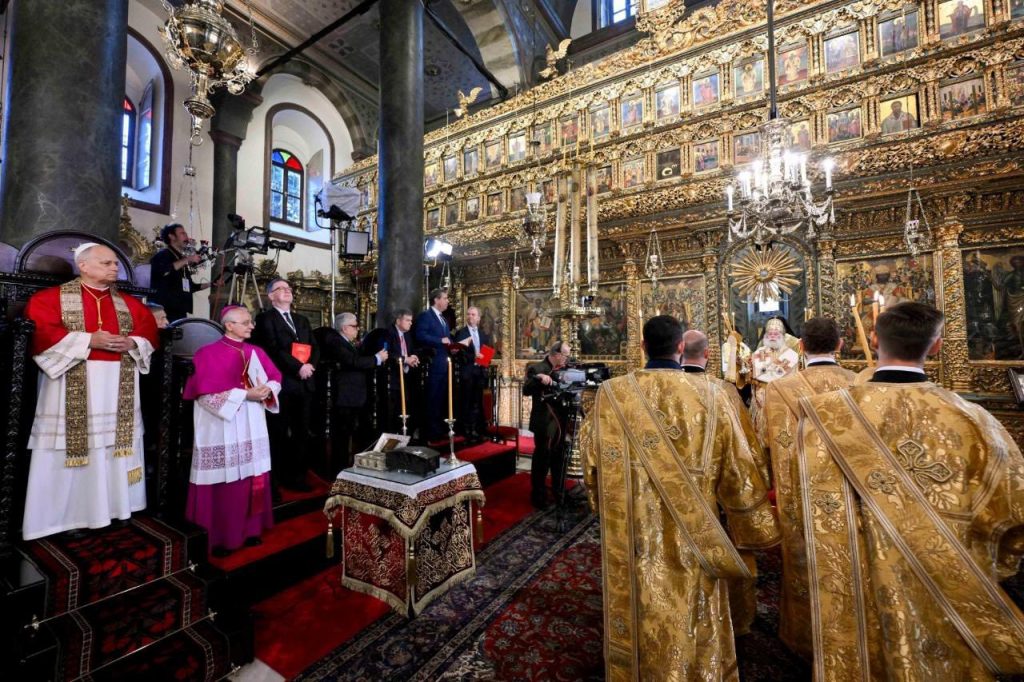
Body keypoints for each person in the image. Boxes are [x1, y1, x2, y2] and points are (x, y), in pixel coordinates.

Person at [796, 302, 1024, 679]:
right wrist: (990, 566)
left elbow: (812, 505)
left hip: (857, 580)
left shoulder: (824, 415)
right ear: (936, 346)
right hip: (950, 585)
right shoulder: (975, 420)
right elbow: (1012, 512)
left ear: (874, 339)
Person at [580, 316, 780, 679]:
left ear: (642, 347)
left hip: (634, 530)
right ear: (679, 348)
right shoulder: (714, 394)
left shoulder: (610, 395)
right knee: (694, 599)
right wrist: (750, 524)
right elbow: (740, 469)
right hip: (695, 531)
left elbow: (590, 465)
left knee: (639, 595)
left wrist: (602, 502)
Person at [22, 243, 159, 540]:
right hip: (69, 383)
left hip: (117, 386)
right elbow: (42, 333)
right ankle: (65, 518)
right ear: (83, 265)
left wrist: (132, 343)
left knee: (114, 447)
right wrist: (88, 340)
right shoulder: (49, 299)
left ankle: (117, 508)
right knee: (70, 448)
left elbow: (149, 333)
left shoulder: (131, 305)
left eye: (115, 263)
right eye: (106, 263)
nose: (114, 268)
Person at [759, 316, 855, 659]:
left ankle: (802, 635)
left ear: (800, 346)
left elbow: (766, 441)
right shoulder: (860, 384)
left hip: (801, 491)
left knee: (804, 559)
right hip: (850, 492)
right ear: (840, 345)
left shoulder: (779, 390)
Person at [679, 326, 769, 636]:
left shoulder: (657, 392)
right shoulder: (724, 392)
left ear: (680, 351)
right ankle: (732, 618)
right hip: (716, 493)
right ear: (708, 354)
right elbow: (747, 449)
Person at [183, 306, 281, 557]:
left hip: (252, 423)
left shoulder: (256, 351)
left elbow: (275, 377)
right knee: (224, 481)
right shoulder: (207, 353)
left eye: (251, 322)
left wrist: (267, 390)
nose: (251, 326)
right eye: (246, 322)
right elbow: (203, 395)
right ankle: (219, 536)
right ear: (229, 325)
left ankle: (251, 530)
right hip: (221, 426)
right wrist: (244, 395)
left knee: (253, 476)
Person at [252, 277, 319, 492]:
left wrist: (309, 366)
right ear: (271, 296)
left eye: (288, 288)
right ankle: (273, 483)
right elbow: (272, 349)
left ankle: (297, 478)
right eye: (281, 288)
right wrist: (298, 367)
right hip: (282, 384)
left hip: (304, 383)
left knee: (302, 434)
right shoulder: (265, 319)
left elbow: (314, 346)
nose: (287, 291)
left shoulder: (302, 319)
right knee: (277, 433)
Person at [320, 313, 388, 472]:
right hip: (344, 396)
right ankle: (339, 470)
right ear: (344, 328)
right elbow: (352, 361)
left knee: (352, 432)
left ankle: (351, 465)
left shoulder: (347, 343)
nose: (358, 329)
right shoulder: (336, 342)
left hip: (354, 395)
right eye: (355, 326)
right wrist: (376, 358)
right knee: (342, 436)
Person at [523, 339, 573, 509]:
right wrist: (539, 379)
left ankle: (559, 492)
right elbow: (526, 390)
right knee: (542, 460)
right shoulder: (537, 368)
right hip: (544, 422)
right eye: (565, 355)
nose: (567, 358)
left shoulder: (565, 368)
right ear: (556, 354)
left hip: (561, 421)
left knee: (559, 458)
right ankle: (538, 495)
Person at [148, 223, 212, 322]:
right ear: (172, 236)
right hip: (165, 310)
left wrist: (211, 284)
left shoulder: (181, 259)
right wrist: (188, 259)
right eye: (182, 233)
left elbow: (190, 287)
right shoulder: (163, 255)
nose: (186, 237)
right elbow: (164, 271)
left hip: (180, 309)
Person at [414, 288, 454, 441]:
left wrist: (453, 346)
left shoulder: (443, 318)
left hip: (444, 363)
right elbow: (420, 335)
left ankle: (437, 429)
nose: (447, 301)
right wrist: (440, 340)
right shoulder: (426, 316)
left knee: (440, 398)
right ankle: (429, 431)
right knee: (431, 398)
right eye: (445, 298)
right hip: (433, 364)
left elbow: (446, 339)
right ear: (436, 300)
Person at [750, 317, 800, 435]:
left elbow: (778, 376)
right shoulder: (759, 352)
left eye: (776, 333)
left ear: (783, 335)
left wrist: (769, 371)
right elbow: (761, 375)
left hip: (785, 399)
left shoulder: (791, 355)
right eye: (770, 333)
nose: (772, 336)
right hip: (763, 400)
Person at [454, 306, 492, 443]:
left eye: (473, 314)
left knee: (477, 402)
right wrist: (474, 356)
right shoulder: (461, 333)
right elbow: (459, 354)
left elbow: (487, 354)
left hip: (480, 373)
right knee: (466, 402)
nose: (470, 316)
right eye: (468, 314)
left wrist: (483, 359)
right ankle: (466, 431)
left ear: (478, 318)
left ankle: (476, 429)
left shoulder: (483, 334)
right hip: (467, 373)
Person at [379, 309, 421, 434]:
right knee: (392, 411)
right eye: (407, 320)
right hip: (392, 378)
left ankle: (403, 433)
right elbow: (387, 354)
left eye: (411, 321)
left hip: (406, 378)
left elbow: (412, 350)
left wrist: (414, 357)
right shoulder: (388, 333)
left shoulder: (407, 335)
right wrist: (405, 359)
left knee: (405, 408)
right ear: (398, 321)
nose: (410, 323)